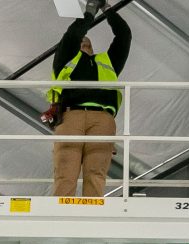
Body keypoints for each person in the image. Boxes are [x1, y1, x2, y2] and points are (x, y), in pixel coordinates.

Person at [46, 2, 131, 197]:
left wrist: (108, 9)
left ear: (92, 49)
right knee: (66, 172)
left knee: (96, 173)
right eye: (81, 44)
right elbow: (73, 35)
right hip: (71, 116)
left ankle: (92, 216)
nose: (84, 45)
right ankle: (61, 216)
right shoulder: (65, 59)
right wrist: (90, 12)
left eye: (88, 44)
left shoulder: (107, 62)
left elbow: (124, 35)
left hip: (102, 119)